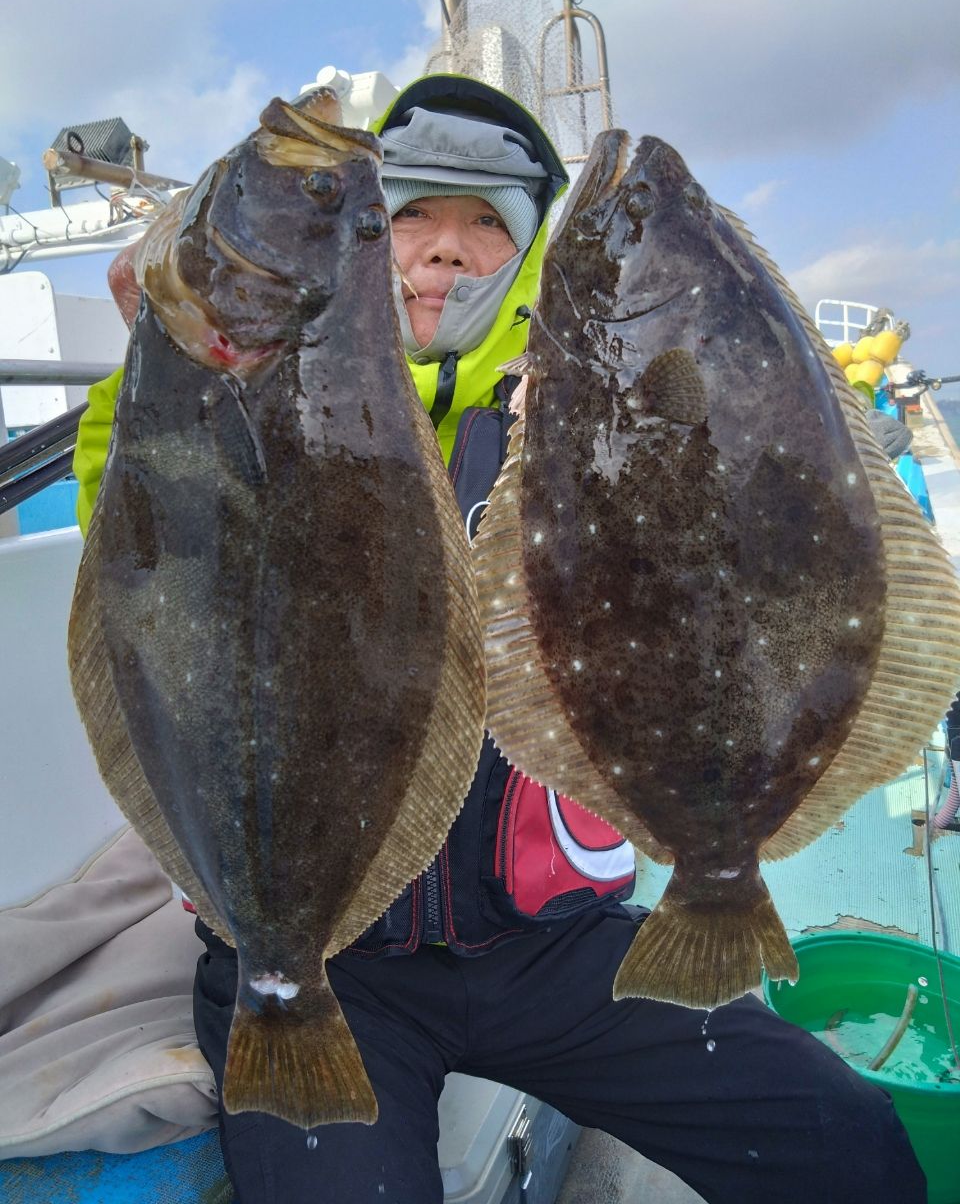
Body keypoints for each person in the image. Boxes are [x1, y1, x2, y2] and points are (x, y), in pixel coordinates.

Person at [73, 75, 927, 1204]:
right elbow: (138, 555)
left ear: (525, 258)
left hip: (554, 945)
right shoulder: (220, 379)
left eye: (488, 225)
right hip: (332, 960)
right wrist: (155, 374)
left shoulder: (575, 406)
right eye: (412, 215)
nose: (446, 251)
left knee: (851, 1142)